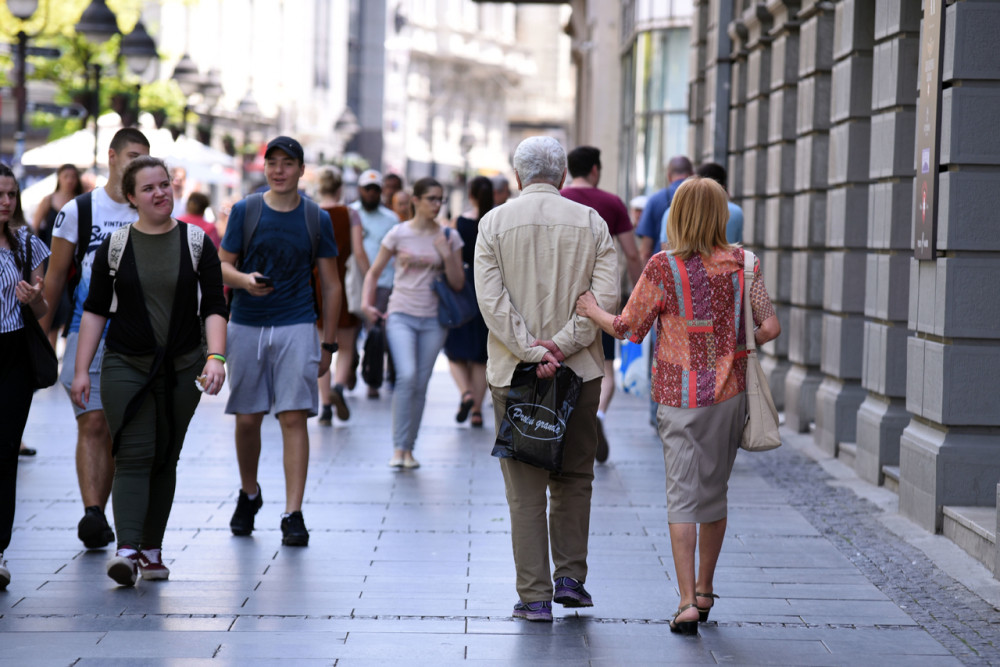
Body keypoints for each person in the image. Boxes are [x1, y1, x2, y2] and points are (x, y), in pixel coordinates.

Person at [575, 176, 780, 634]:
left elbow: (629, 327)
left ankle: (687, 600)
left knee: (682, 497)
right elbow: (769, 328)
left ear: (678, 215)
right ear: (722, 214)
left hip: (679, 397)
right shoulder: (745, 264)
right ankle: (706, 590)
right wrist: (732, 344)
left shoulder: (663, 268)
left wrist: (592, 310)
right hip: (730, 397)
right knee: (714, 491)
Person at [475, 136, 618, 622]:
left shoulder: (493, 223)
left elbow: (492, 304)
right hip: (579, 369)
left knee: (525, 487)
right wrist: (562, 343)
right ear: (561, 177)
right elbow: (605, 298)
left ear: (518, 177)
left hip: (514, 372)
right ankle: (570, 578)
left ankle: (534, 595)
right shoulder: (593, 223)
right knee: (575, 476)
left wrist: (533, 350)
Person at [70, 156, 228, 586]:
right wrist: (81, 370)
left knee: (165, 457)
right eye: (148, 188)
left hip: (183, 366)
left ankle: (151, 550)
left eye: (164, 184)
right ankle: (127, 550)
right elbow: (95, 311)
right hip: (126, 364)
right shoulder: (116, 247)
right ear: (131, 198)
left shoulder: (197, 243)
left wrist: (216, 357)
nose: (160, 193)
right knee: (135, 452)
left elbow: (214, 304)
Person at [218, 136, 341, 547]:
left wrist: (328, 344)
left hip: (296, 323)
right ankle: (249, 493)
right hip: (246, 324)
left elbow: (331, 283)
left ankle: (293, 512)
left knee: (293, 416)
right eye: (272, 162)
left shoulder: (315, 218)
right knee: (248, 417)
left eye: (288, 163)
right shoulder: (245, 210)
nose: (279, 170)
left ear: (301, 169)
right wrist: (244, 282)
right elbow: (221, 266)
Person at [41, 127, 151, 550]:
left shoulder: (151, 207)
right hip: (89, 331)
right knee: (93, 422)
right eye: (133, 156)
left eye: (145, 158)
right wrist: (40, 335)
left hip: (140, 336)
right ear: (112, 156)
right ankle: (92, 513)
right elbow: (54, 278)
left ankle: (116, 516)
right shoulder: (79, 211)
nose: (138, 165)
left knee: (127, 430)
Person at [362, 177, 464, 469]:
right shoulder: (398, 233)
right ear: (416, 200)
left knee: (420, 382)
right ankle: (398, 448)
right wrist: (366, 303)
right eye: (431, 198)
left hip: (434, 319)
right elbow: (374, 271)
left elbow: (458, 283)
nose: (436, 204)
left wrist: (446, 254)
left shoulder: (449, 236)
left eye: (440, 199)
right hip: (401, 314)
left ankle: (409, 449)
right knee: (406, 376)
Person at [560, 146, 643, 463]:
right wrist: (638, 294)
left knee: (567, 355)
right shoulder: (611, 203)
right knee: (607, 365)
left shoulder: (560, 198)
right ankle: (599, 415)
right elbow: (631, 253)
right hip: (603, 296)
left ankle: (569, 419)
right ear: (595, 169)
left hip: (564, 295)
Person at [0, 162, 50, 589]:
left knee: (4, 456)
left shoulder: (28, 245)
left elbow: (43, 308)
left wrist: (34, 299)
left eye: (11, 194)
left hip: (14, 355)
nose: (5, 202)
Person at [444, 176, 493, 428]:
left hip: (462, 292)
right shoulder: (496, 220)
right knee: (480, 356)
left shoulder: (459, 222)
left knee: (454, 351)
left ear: (470, 194)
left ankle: (466, 393)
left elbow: (452, 259)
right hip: (490, 293)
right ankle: (476, 411)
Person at [315, 167, 362, 425]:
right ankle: (340, 387)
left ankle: (324, 408)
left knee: (322, 344)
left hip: (315, 283)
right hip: (342, 282)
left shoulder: (310, 212)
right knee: (345, 345)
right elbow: (358, 251)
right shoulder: (349, 213)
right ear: (340, 188)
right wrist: (370, 281)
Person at [350, 169, 399, 399]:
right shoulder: (351, 213)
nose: (371, 193)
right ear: (360, 189)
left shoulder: (391, 219)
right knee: (349, 330)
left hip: (382, 282)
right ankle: (349, 369)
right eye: (367, 188)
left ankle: (372, 378)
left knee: (376, 332)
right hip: (353, 281)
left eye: (375, 189)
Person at [31, 164, 83, 352]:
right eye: (66, 176)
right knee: (50, 304)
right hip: (49, 260)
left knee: (68, 306)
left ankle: (67, 351)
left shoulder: (80, 202)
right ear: (59, 178)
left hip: (73, 263)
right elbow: (35, 229)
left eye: (73, 176)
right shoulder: (49, 200)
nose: (69, 180)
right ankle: (48, 352)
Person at [635, 156, 693, 264]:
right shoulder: (701, 198)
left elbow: (645, 251)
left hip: (664, 270)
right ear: (692, 173)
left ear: (669, 176)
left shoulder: (654, 200)